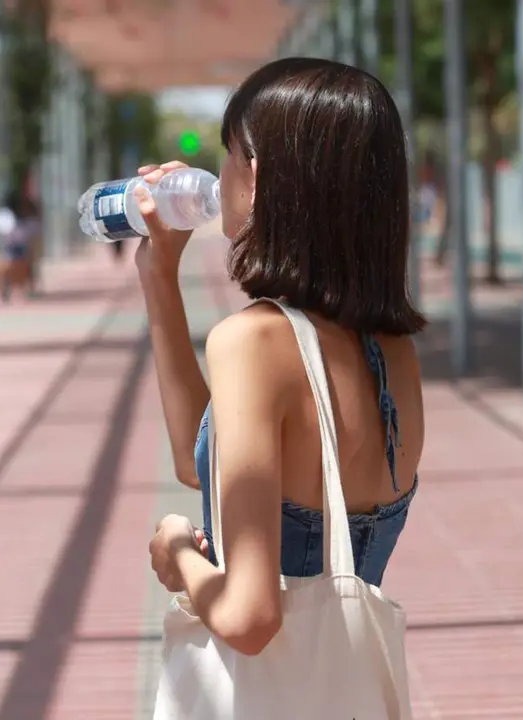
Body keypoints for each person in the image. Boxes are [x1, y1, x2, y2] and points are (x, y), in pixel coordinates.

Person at [141, 58, 425, 666]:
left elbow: (249, 617)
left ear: (258, 174)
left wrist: (177, 554)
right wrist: (159, 278)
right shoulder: (394, 353)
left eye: (227, 154)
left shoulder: (255, 342)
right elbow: (205, 466)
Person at [0, 189, 41, 302]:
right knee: (5, 264)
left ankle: (25, 288)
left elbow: (33, 231)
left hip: (20, 246)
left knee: (28, 260)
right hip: (8, 247)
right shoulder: (5, 215)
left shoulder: (25, 214)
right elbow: (6, 233)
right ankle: (6, 289)